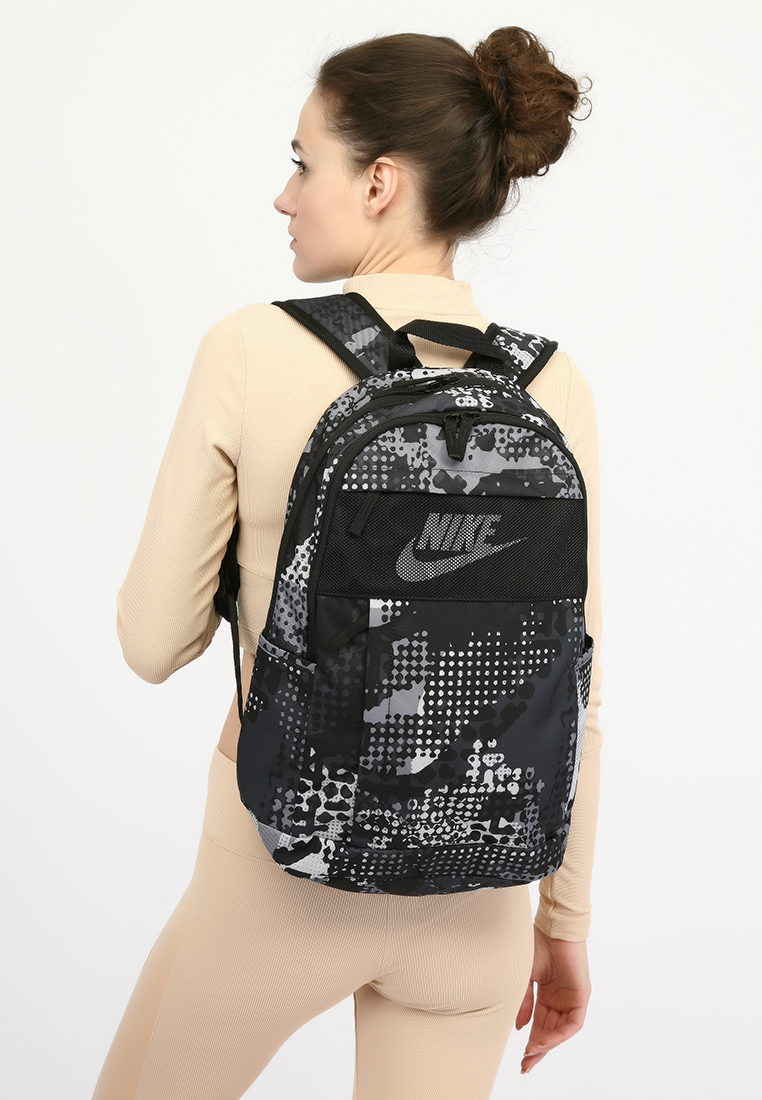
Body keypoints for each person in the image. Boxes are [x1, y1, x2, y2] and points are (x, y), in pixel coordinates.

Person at [93, 27, 601, 1100]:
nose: (284, 197)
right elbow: (580, 690)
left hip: (278, 874)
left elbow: (151, 643)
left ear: (378, 182)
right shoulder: (551, 385)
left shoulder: (249, 347)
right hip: (480, 899)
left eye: (302, 162)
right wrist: (565, 924)